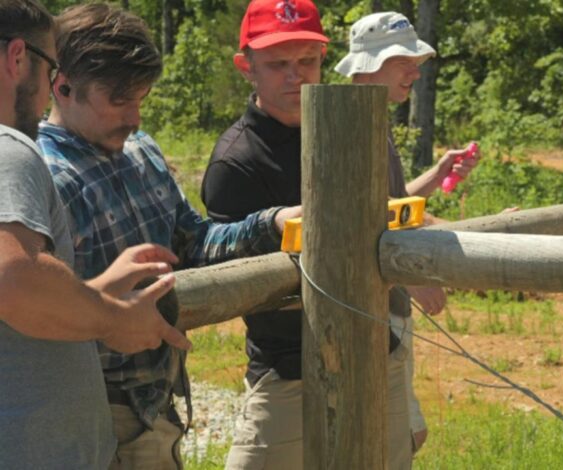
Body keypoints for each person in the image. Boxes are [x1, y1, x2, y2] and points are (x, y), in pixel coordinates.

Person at [201, 0, 472, 467]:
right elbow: (218, 268)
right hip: (290, 367)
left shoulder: (354, 123)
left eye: (307, 60)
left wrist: (404, 261)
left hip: (373, 350)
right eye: (278, 64)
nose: (295, 75)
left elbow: (383, 212)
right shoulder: (236, 161)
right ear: (246, 67)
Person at [35, 4, 282, 469]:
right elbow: (37, 314)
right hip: (89, 417)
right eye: (120, 99)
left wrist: (270, 225)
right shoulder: (39, 176)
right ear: (61, 86)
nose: (135, 116)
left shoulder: (142, 149)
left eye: (142, 97)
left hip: (157, 406)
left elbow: (195, 243)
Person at [0, 1, 191, 468]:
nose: (49, 87)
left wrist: (98, 291)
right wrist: (115, 318)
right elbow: (14, 280)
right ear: (18, 57)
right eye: (50, 69)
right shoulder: (11, 153)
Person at [334, 11, 480, 453]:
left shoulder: (371, 117)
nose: (415, 72)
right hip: (370, 308)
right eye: (404, 62)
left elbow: (384, 205)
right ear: (368, 65)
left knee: (402, 434)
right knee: (395, 435)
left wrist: (433, 179)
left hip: (385, 305)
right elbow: (350, 223)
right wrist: (411, 277)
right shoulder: (344, 126)